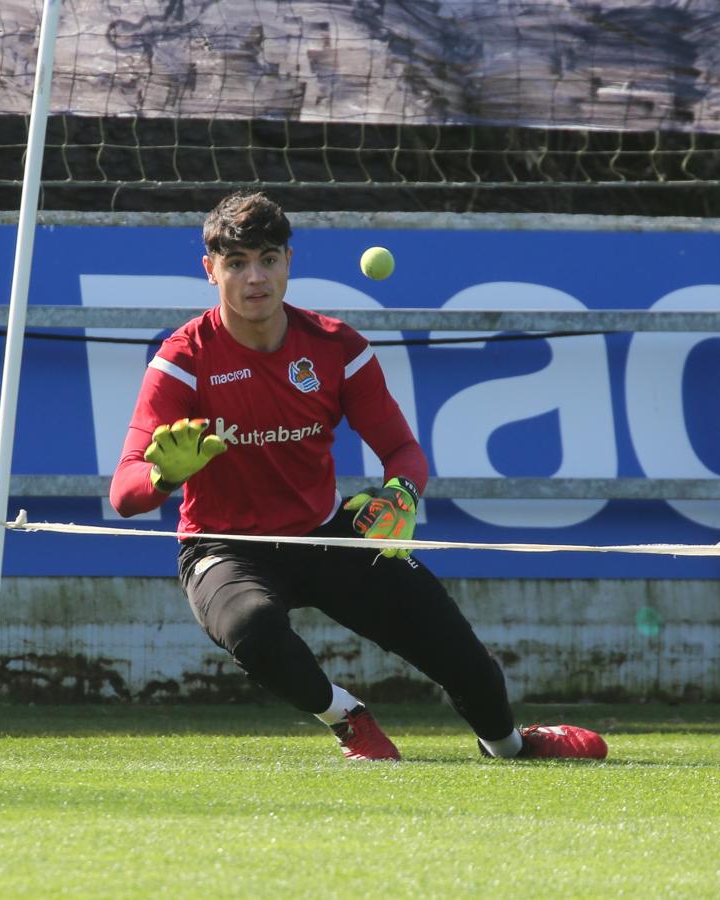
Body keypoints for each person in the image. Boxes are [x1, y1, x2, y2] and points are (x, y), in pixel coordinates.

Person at [110, 191, 607, 763]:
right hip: (225, 545)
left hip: (327, 531)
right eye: (237, 262)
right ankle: (346, 716)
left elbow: (401, 449)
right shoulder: (183, 359)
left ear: (289, 262)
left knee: (462, 656)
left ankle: (510, 745)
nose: (255, 278)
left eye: (269, 259)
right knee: (252, 626)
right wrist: (163, 477)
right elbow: (124, 493)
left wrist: (401, 494)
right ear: (210, 269)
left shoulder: (334, 346)